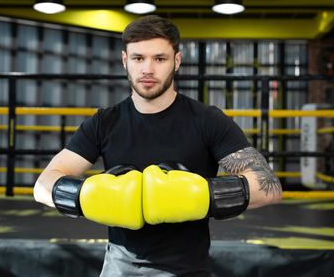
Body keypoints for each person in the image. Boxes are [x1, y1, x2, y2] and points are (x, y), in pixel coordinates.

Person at [33, 15, 282, 276]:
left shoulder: (207, 120)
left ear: (176, 61)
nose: (148, 69)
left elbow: (269, 187)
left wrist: (202, 195)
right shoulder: (103, 123)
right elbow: (43, 185)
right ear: (124, 61)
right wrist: (86, 196)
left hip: (187, 271)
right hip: (118, 270)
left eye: (159, 59)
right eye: (139, 58)